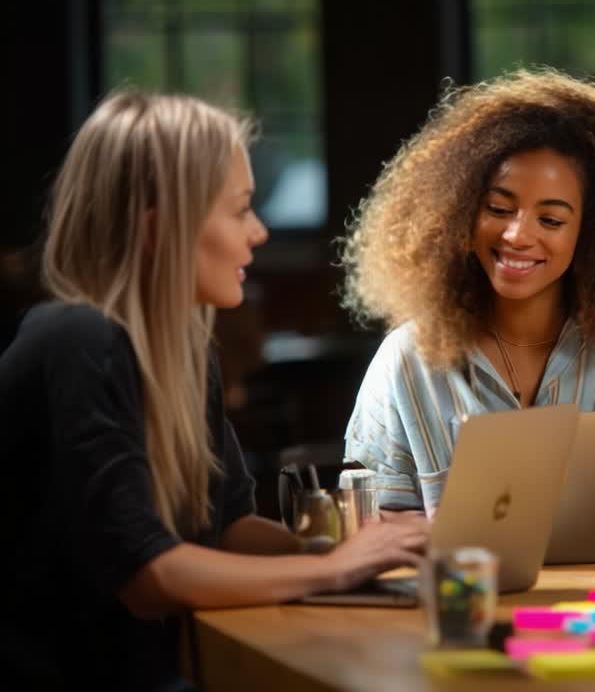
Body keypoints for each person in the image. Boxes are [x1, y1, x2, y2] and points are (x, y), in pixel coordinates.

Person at [0, 91, 427, 690]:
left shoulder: (183, 355)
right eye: (240, 209)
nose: (259, 231)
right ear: (158, 225)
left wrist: (361, 546)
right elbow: (148, 576)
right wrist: (333, 570)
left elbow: (227, 527)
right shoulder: (78, 341)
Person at [340, 70, 595, 531]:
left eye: (551, 220)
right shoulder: (406, 361)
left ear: (592, 234)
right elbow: (367, 529)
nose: (518, 235)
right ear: (459, 213)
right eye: (499, 209)